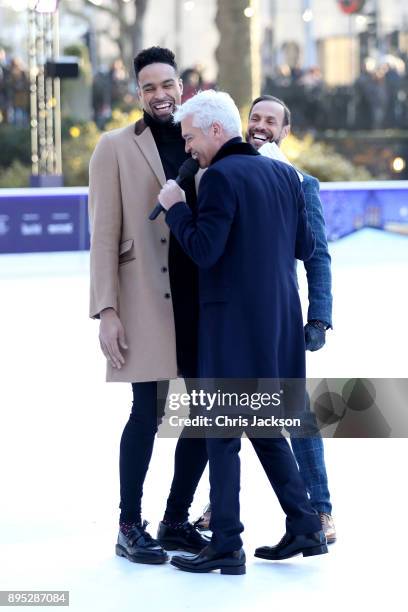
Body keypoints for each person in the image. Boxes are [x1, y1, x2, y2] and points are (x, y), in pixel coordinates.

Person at [157, 90, 327, 575]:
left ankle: (226, 544)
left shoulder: (219, 176)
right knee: (266, 428)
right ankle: (305, 524)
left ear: (214, 130)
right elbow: (304, 244)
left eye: (190, 138)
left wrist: (175, 208)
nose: (188, 148)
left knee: (221, 433)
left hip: (232, 325)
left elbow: (204, 249)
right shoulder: (282, 174)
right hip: (277, 324)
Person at [194, 95, 336, 544]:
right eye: (254, 117)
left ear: (285, 131)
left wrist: (319, 318)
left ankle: (318, 510)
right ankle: (222, 507)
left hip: (278, 321)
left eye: (270, 121)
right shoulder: (220, 172)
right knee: (234, 412)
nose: (260, 125)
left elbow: (316, 257)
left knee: (290, 414)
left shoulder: (298, 180)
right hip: (239, 316)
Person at [88, 46, 209, 566]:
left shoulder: (206, 140)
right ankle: (129, 525)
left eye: (167, 84)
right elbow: (102, 236)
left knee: (206, 416)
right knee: (148, 412)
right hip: (144, 300)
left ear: (181, 85)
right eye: (149, 87)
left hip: (204, 300)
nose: (160, 95)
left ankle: (176, 520)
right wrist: (106, 312)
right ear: (138, 93)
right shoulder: (113, 147)